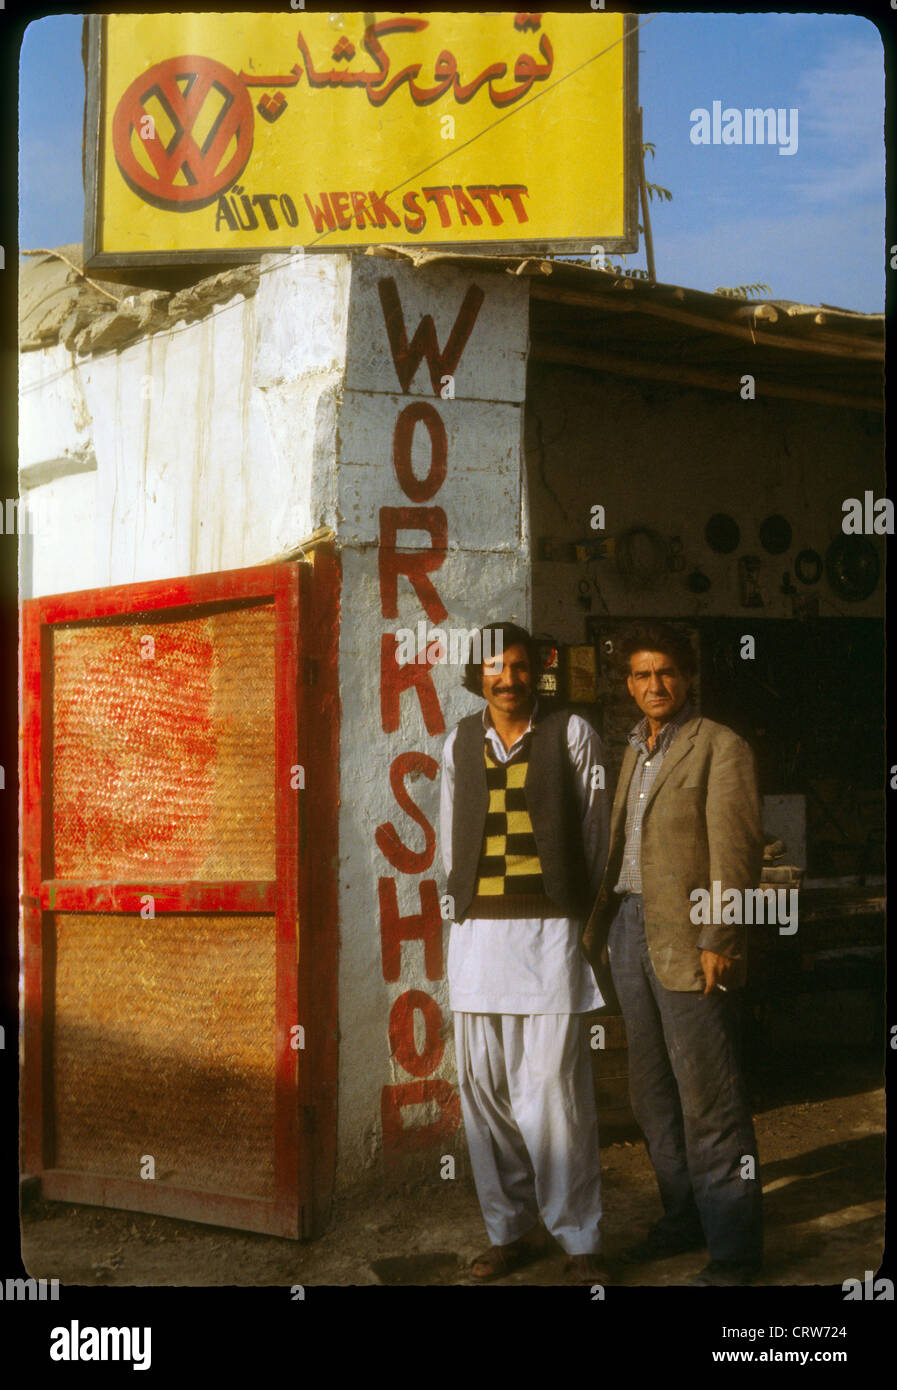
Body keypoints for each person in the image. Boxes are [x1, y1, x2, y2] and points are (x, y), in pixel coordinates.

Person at [582, 621, 765, 1286]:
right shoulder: (632, 747)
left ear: (685, 678)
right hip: (629, 930)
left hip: (689, 939)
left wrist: (720, 937)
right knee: (652, 1093)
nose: (653, 685)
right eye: (640, 675)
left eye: (665, 673)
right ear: (626, 684)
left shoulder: (719, 746)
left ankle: (734, 1251)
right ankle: (681, 1217)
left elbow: (735, 852)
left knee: (707, 1097)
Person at [440, 622, 609, 1284]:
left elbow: (595, 836)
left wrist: (575, 911)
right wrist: (461, 916)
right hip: (478, 937)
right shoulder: (457, 740)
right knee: (483, 1090)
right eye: (493, 668)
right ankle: (508, 1231)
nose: (506, 677)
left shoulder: (572, 734)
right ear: (477, 675)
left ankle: (581, 1236)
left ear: (536, 671)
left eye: (517, 665)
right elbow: (453, 845)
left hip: (549, 937)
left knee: (551, 1095)